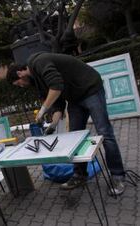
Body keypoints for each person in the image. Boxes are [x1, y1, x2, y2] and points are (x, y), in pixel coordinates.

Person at [7, 52, 126, 195]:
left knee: (105, 133)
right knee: (75, 137)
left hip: (90, 88)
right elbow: (58, 102)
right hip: (75, 98)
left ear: (19, 73)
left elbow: (56, 86)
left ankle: (117, 176)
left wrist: (43, 109)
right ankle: (79, 175)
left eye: (18, 83)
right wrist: (53, 124)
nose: (21, 86)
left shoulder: (39, 62)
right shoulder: (37, 81)